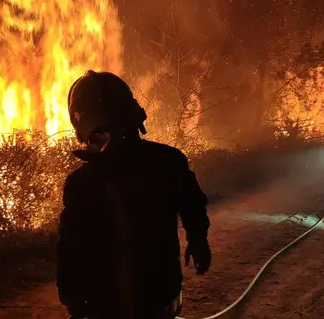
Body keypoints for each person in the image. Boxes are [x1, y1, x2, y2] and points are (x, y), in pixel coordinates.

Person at [57, 70, 211, 319]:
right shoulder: (168, 161)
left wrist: (73, 301)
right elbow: (193, 205)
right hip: (162, 299)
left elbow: (70, 249)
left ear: (83, 125)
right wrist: (198, 240)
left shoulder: (83, 183)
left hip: (109, 307)